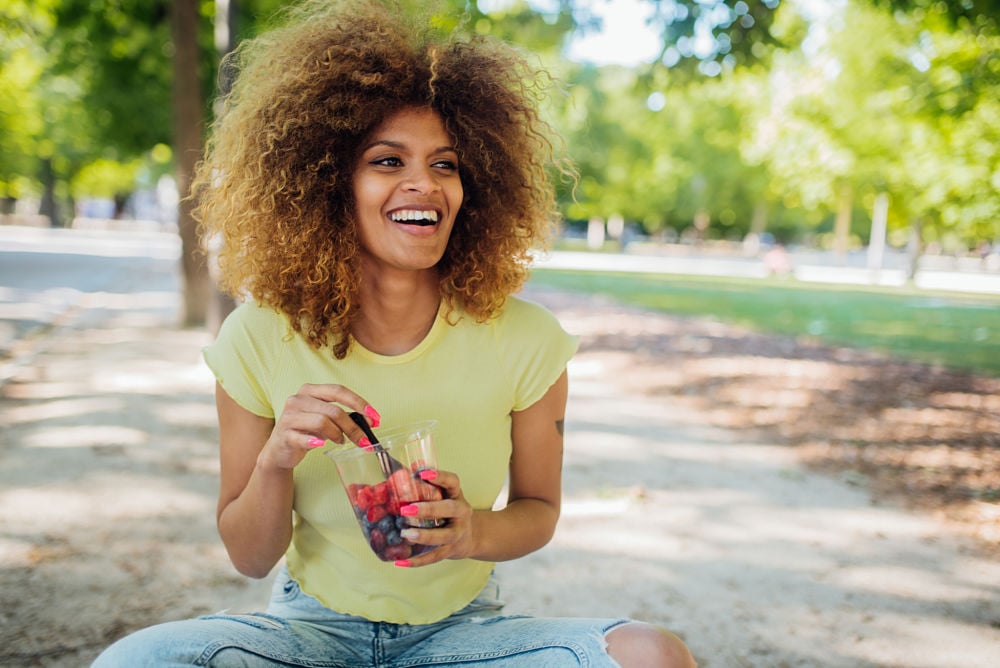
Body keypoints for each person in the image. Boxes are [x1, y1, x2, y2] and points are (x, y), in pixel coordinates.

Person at [93, 1, 696, 666]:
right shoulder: (258, 337)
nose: (424, 184)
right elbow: (248, 556)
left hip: (463, 633)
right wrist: (278, 458)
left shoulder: (526, 340)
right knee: (135, 661)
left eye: (446, 164)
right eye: (387, 161)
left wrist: (470, 532)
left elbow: (539, 510)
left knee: (651, 654)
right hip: (310, 632)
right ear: (328, 183)